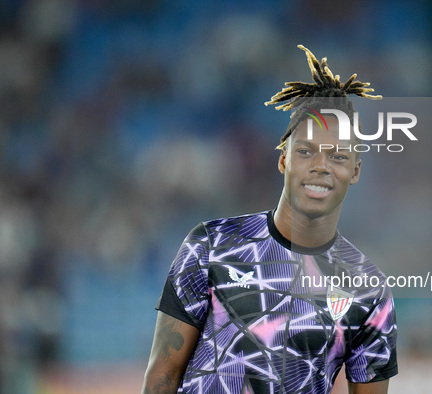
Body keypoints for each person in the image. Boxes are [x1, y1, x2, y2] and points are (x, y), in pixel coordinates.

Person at [142, 45, 397, 394]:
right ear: (283, 160)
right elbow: (162, 376)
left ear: (355, 171)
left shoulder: (369, 290)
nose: (321, 166)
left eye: (338, 156)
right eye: (306, 151)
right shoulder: (210, 246)